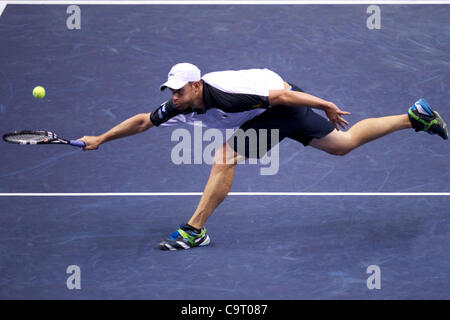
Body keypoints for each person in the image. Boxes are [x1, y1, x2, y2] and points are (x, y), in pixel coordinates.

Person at [79, 62, 448, 251]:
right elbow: (144, 121)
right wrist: (101, 138)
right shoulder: (178, 104)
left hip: (282, 103)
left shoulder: (227, 94)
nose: (173, 97)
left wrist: (326, 104)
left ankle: (194, 231)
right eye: (170, 91)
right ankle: (415, 116)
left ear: (196, 85)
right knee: (342, 145)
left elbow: (284, 98)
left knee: (224, 157)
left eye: (179, 91)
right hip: (270, 109)